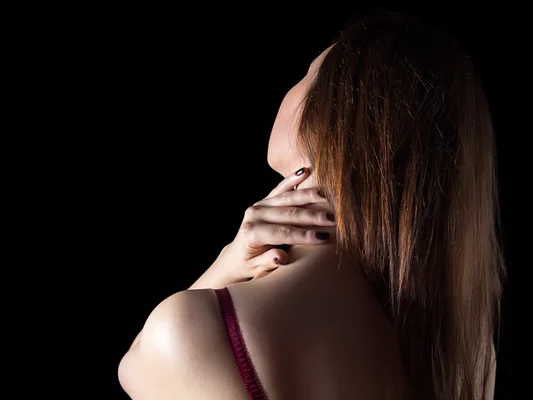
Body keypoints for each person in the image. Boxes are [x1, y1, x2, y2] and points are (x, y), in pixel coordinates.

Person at [118, 11, 504, 400]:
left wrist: (224, 267)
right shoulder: (470, 351)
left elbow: (134, 368)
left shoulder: (200, 332)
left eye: (309, 73)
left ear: (340, 112)